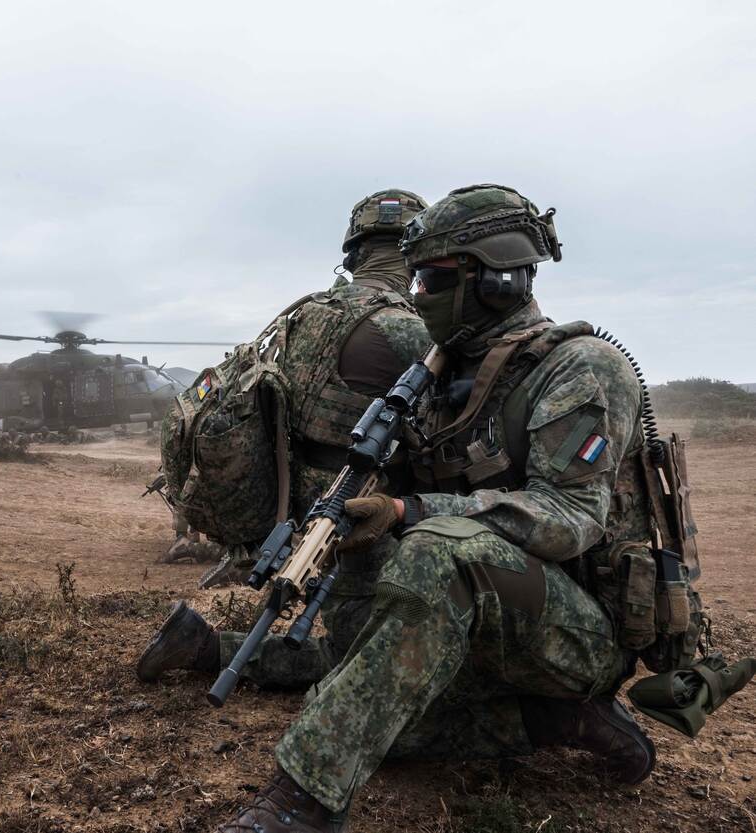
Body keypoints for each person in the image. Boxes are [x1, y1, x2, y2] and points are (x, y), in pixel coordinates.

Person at [178, 184, 655, 833]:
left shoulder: (580, 368)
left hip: (576, 631)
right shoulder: (446, 380)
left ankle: (301, 802)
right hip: (484, 628)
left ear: (496, 278)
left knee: (437, 554)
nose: (419, 292)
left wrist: (411, 510)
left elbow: (569, 514)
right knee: (366, 710)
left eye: (433, 276)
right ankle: (555, 718)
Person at [143, 189, 433, 681]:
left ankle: (204, 645)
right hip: (362, 507)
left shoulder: (301, 315)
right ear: (416, 255)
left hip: (300, 501)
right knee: (373, 659)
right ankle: (205, 648)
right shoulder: (410, 329)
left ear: (354, 251)